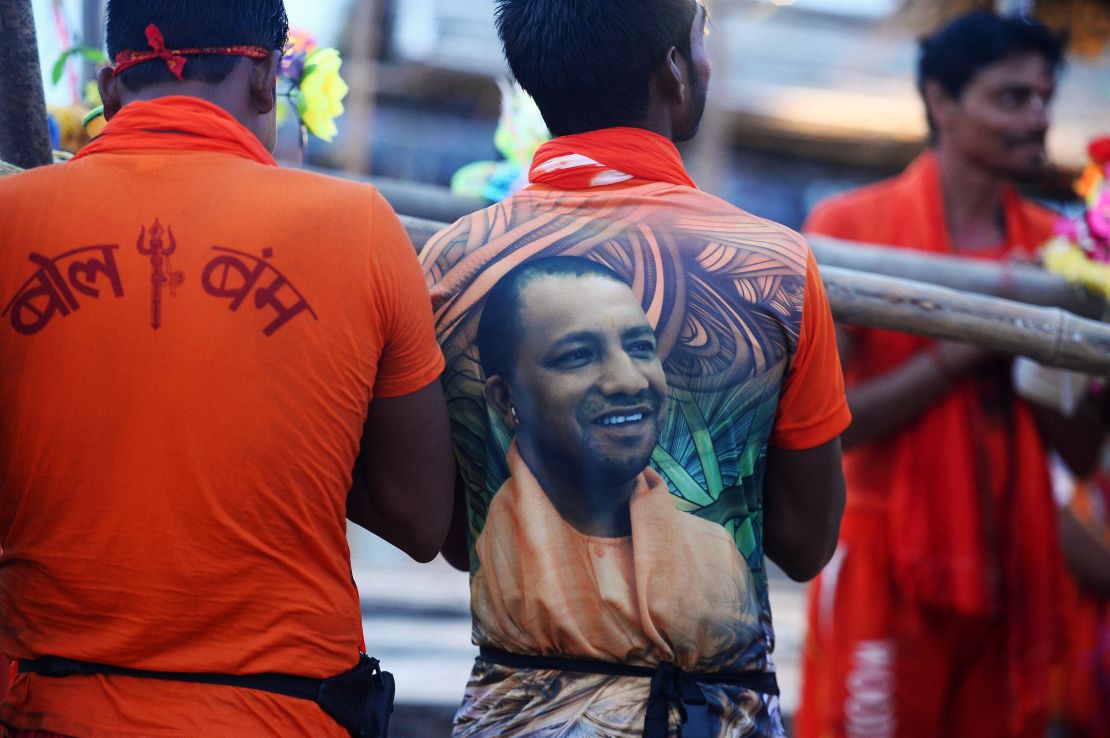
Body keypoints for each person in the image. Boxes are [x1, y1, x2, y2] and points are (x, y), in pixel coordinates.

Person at [0, 1, 455, 736]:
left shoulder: (9, 218)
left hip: (51, 711)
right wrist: (301, 433)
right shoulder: (361, 229)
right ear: (269, 84)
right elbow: (422, 518)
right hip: (281, 716)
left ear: (110, 94)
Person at [420, 1, 851, 735]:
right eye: (702, 39)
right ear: (673, 71)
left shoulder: (450, 266)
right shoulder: (772, 265)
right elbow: (807, 545)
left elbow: (457, 535)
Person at [795, 11, 1067, 738]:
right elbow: (831, 429)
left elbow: (1084, 446)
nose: (1038, 117)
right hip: (883, 566)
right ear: (941, 103)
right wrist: (979, 336)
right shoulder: (850, 227)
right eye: (1012, 98)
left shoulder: (1059, 252)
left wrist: (1041, 345)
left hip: (1012, 558)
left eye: (1045, 97)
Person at [469, 257, 761, 685]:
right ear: (504, 398)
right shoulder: (490, 544)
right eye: (578, 356)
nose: (628, 381)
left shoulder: (715, 553)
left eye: (640, 347)